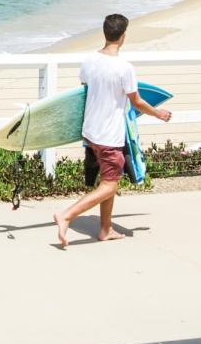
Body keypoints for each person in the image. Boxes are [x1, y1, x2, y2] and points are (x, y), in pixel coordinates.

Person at [54, 13, 171, 247]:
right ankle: (66, 215)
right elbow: (136, 101)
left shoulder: (89, 60)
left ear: (105, 33)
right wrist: (159, 113)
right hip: (109, 135)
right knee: (110, 184)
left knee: (108, 180)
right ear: (123, 36)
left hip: (90, 131)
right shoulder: (124, 68)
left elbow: (86, 90)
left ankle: (105, 229)